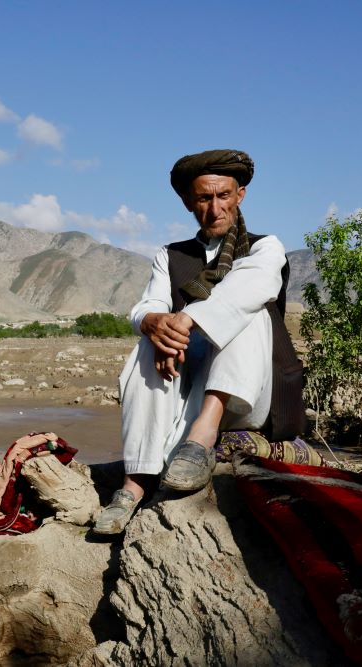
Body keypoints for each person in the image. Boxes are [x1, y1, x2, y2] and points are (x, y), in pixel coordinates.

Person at [93, 149, 289, 535]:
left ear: (240, 195)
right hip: (184, 391)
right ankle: (134, 483)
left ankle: (202, 438)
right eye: (203, 198)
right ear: (188, 202)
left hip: (246, 395)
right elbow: (148, 305)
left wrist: (187, 317)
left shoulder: (265, 248)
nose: (215, 208)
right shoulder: (170, 256)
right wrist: (154, 322)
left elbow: (249, 288)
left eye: (224, 195)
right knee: (150, 339)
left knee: (249, 313)